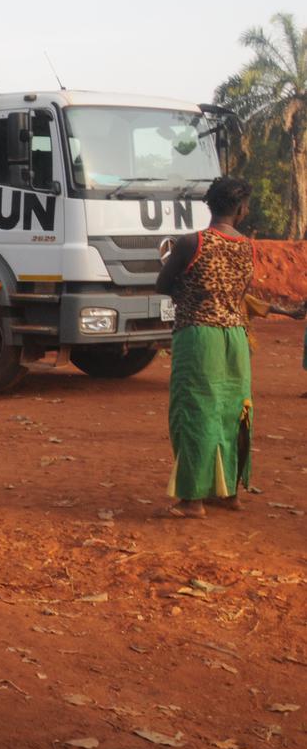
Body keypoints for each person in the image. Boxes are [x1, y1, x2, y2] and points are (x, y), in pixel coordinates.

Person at [156, 177, 257, 518]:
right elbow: (241, 291)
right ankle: (228, 494)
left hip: (198, 335)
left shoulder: (191, 242)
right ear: (241, 209)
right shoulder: (248, 246)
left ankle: (192, 499)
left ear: (210, 206)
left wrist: (187, 296)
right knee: (233, 413)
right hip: (235, 338)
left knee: (194, 411)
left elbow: (163, 284)